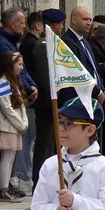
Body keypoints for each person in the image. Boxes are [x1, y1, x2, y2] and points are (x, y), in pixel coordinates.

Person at [31, 9, 68, 186]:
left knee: (54, 144)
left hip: (53, 101)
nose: (61, 27)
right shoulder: (43, 45)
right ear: (54, 25)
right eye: (60, 24)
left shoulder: (53, 43)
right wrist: (53, 99)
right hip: (47, 103)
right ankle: (40, 181)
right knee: (45, 145)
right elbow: (47, 76)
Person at [0, 52, 30, 202]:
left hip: (15, 126)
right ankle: (3, 189)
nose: (21, 67)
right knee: (6, 158)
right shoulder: (2, 83)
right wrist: (20, 124)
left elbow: (21, 105)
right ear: (10, 65)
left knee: (11, 158)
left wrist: (24, 122)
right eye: (19, 64)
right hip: (8, 126)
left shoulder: (14, 81)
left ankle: (6, 187)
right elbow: (6, 108)